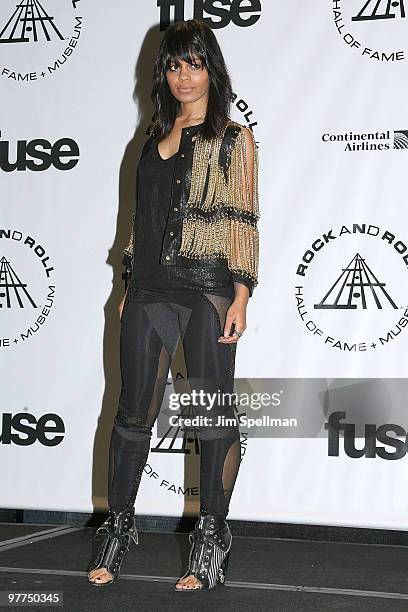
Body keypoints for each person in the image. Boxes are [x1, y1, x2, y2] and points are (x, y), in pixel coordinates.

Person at [87, 18, 260, 591]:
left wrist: (240, 293)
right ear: (165, 74)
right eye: (174, 65)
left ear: (212, 68)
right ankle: (117, 530)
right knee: (133, 414)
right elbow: (141, 220)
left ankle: (210, 536)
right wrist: (129, 285)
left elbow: (243, 219)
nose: (184, 75)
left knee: (211, 415)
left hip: (207, 287)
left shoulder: (233, 138)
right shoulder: (150, 135)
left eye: (194, 62)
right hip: (151, 290)